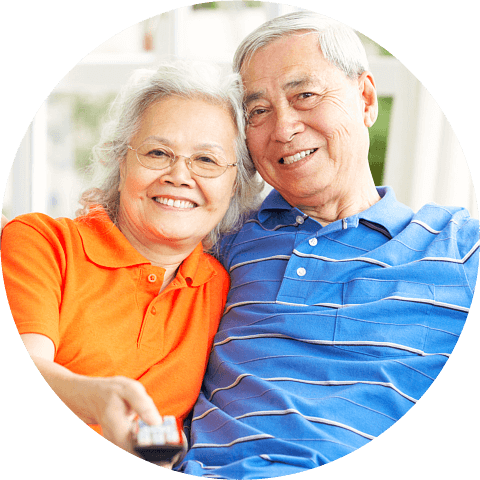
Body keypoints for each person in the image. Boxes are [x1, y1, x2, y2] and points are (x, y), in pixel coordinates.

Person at [176, 12, 479, 478]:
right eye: (258, 111)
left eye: (306, 95)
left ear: (365, 99)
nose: (283, 127)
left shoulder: (461, 248)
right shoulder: (222, 238)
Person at [1, 60, 263, 461]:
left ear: (236, 183)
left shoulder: (226, 287)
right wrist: (93, 399)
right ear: (120, 161)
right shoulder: (42, 242)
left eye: (206, 161)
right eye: (158, 152)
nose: (179, 175)